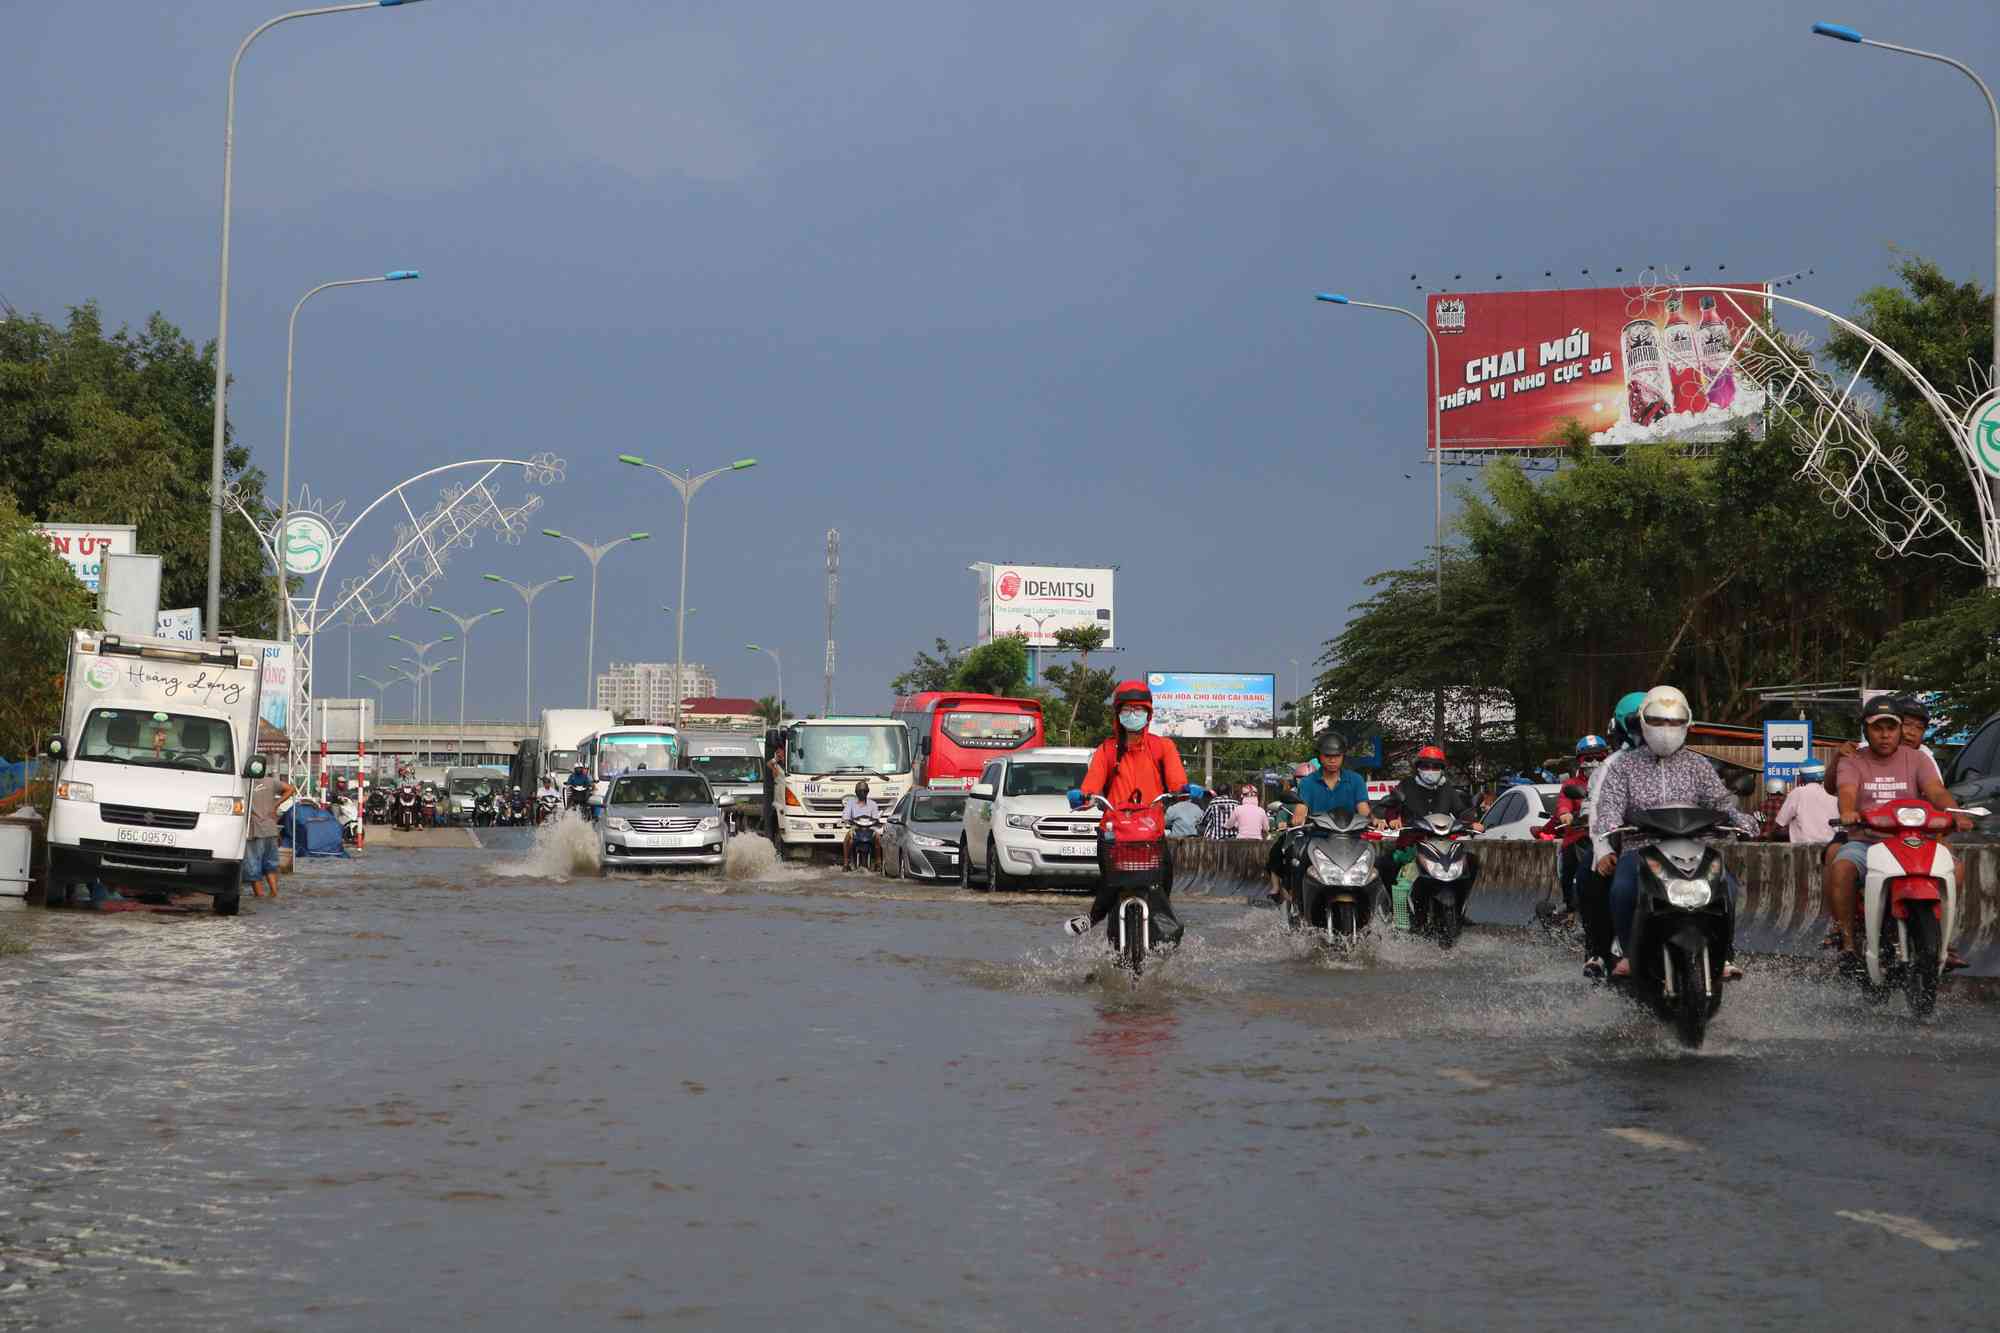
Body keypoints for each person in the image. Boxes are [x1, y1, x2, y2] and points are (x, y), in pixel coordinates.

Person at [1594, 686, 1758, 980]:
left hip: (1695, 847)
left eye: (1673, 722)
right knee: (1622, 889)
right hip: (1641, 848)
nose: (1666, 729)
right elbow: (1610, 805)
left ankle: (1725, 955)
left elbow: (1720, 802)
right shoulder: (1624, 766)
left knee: (1728, 888)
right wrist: (1609, 825)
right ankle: (1631, 954)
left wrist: (1741, 820)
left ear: (1687, 724)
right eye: (1658, 721)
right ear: (1643, 722)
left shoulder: (1698, 765)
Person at [1823, 694, 1968, 975]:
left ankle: (1941, 941)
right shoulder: (1852, 760)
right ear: (1866, 731)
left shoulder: (1918, 759)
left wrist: (1956, 813)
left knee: (1956, 868)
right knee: (1841, 866)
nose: (1885, 735)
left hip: (1912, 840)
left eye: (1892, 728)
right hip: (1866, 841)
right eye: (1878, 728)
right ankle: (1848, 945)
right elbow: (1846, 791)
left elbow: (1936, 790)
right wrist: (1849, 811)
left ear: (1899, 730)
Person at [1064, 679, 1198, 941]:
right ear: (1117, 713)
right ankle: (1092, 918)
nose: (1132, 715)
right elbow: (1092, 783)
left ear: (1148, 714)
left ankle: (1163, 942)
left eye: (1139, 710)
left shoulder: (1162, 747)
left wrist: (1185, 787)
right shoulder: (1107, 750)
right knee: (1110, 885)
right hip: (1114, 835)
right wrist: (1084, 795)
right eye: (1127, 709)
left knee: (1161, 889)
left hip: (1151, 833)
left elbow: (1176, 780)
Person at [1579, 692, 1649, 978]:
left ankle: (1723, 955)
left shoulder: (1682, 761)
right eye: (1641, 725)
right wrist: (1603, 849)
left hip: (1672, 844)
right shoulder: (1610, 767)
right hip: (1623, 843)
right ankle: (1598, 949)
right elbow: (1598, 813)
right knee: (1590, 878)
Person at [243, 771, 295, 899]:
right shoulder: (270, 782)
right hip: (270, 829)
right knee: (270, 863)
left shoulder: (242, 783)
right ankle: (274, 893)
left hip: (253, 830)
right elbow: (291, 789)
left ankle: (259, 896)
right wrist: (275, 805)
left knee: (253, 864)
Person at [1774, 760, 1838, 844]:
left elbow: (1780, 822)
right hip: (1829, 845)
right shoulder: (1832, 794)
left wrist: (1769, 837)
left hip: (1804, 847)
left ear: (1802, 777)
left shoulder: (1798, 792)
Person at [840, 780, 882, 870]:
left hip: (870, 828)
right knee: (847, 840)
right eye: (860, 791)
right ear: (856, 793)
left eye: (864, 791)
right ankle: (846, 863)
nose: (862, 793)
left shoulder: (873, 804)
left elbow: (876, 818)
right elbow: (845, 816)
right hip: (855, 828)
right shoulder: (850, 803)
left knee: (878, 839)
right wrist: (848, 821)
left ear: (867, 792)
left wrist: (876, 822)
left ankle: (878, 862)